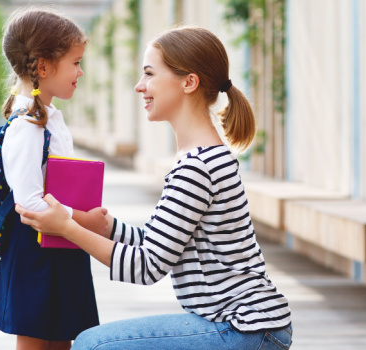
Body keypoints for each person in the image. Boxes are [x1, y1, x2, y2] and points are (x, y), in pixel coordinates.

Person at [15, 26, 293, 350]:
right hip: (251, 325)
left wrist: (66, 228)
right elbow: (159, 242)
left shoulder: (197, 166)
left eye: (149, 74)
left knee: (93, 345)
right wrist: (107, 228)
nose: (139, 86)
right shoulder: (202, 156)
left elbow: (146, 267)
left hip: (242, 329)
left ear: (189, 82)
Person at [0, 8, 108, 350]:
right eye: (75, 62)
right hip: (37, 248)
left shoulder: (45, 117)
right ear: (43, 67)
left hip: (60, 242)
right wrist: (85, 221)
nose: (80, 72)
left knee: (62, 338)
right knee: (36, 339)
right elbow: (29, 204)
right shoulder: (27, 126)